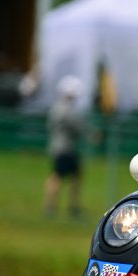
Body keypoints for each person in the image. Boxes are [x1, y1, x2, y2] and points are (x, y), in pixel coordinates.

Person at [44, 75, 87, 217]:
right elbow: (77, 127)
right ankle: (57, 206)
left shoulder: (56, 108)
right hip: (65, 149)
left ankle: (60, 206)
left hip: (59, 147)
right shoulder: (66, 110)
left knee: (70, 176)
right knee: (59, 176)